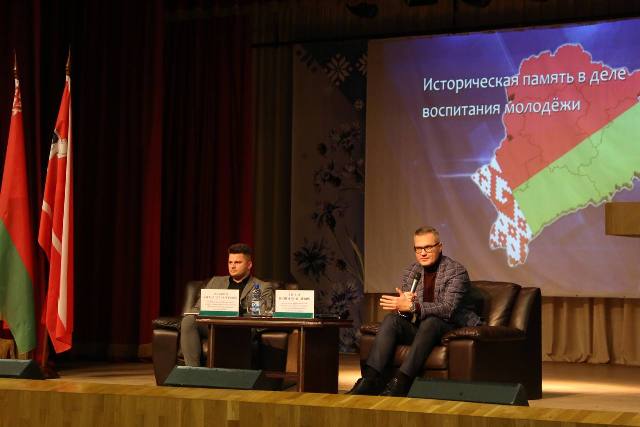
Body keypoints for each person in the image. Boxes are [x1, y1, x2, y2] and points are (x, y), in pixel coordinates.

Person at [349, 226, 481, 397]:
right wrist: (402, 307)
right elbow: (408, 314)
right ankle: (369, 379)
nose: (422, 253)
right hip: (423, 331)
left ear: (440, 247)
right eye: (418, 249)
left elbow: (448, 309)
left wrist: (413, 306)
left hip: (451, 330)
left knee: (431, 321)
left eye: (428, 247)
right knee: (391, 320)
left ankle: (401, 382)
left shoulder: (455, 271)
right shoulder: (412, 272)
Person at [180, 243, 274, 367]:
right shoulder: (215, 282)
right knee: (188, 321)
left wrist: (240, 311)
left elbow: (263, 315)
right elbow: (197, 308)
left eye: (237, 262)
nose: (232, 266)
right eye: (230, 262)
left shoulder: (262, 286)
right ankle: (192, 372)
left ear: (249, 265)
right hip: (214, 325)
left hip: (240, 328)